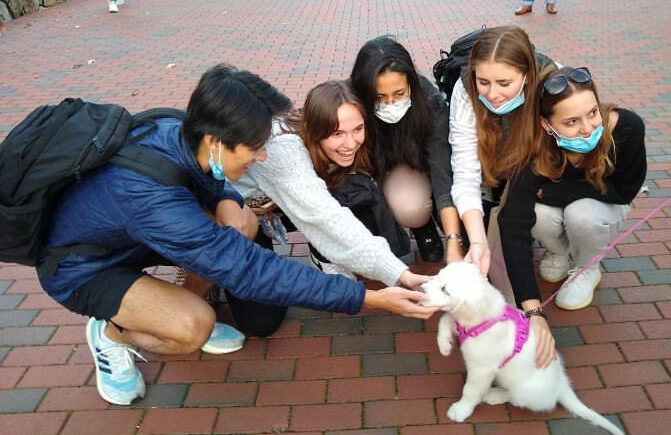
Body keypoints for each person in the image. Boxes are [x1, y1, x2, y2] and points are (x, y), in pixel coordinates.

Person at [37, 64, 439, 406]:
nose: (262, 156)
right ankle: (111, 332)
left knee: (238, 223)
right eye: (255, 148)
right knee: (192, 326)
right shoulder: (156, 202)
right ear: (216, 141)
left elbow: (214, 187)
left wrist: (229, 197)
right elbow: (250, 270)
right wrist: (369, 298)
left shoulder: (182, 130)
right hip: (84, 267)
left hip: (130, 234)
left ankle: (165, 300)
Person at [233, 80, 431, 290]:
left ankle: (324, 255)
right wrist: (399, 273)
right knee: (262, 322)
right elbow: (325, 216)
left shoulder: (320, 131)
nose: (351, 143)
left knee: (355, 189)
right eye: (337, 134)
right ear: (314, 128)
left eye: (358, 129)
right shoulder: (284, 152)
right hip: (237, 216)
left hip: (282, 203)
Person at [448, 26, 557, 367]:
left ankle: (566, 252)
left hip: (533, 176)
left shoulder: (551, 85)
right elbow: (463, 173)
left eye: (504, 83)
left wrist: (533, 308)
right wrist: (477, 241)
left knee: (523, 224)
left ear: (527, 74)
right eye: (484, 82)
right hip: (488, 173)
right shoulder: (464, 91)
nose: (492, 93)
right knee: (492, 277)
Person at [500, 66, 646, 312]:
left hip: (606, 206)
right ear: (546, 124)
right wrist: (532, 309)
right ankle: (558, 252)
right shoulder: (533, 149)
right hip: (563, 208)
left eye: (592, 112)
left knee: (581, 213)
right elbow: (513, 225)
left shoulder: (628, 127)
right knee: (537, 212)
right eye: (571, 122)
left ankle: (587, 268)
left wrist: (560, 192)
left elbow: (625, 191)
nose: (588, 128)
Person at [350, 36, 463, 264]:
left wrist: (454, 239)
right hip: (381, 168)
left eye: (399, 94)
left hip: (421, 162)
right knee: (408, 207)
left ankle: (430, 217)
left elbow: (441, 169)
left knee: (456, 223)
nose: (390, 103)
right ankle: (421, 225)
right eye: (379, 97)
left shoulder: (430, 102)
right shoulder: (350, 103)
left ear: (411, 83)